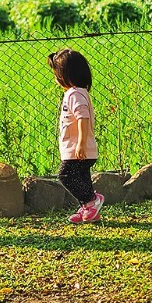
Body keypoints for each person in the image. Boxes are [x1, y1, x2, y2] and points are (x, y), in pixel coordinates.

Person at [48, 49, 104, 224]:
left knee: (65, 175)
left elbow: (83, 118)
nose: (56, 79)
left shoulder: (75, 94)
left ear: (66, 75)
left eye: (57, 74)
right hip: (79, 149)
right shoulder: (76, 93)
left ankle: (91, 201)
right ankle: (89, 210)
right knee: (82, 179)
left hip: (78, 150)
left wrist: (80, 143)